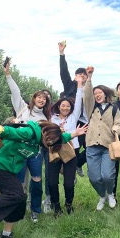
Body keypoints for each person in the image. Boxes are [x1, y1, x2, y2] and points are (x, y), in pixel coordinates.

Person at [0, 120, 88, 238]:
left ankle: (5, 234)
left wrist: (74, 134)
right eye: (50, 140)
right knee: (15, 195)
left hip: (7, 168)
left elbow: (60, 138)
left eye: (52, 143)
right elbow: (11, 132)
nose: (50, 144)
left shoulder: (42, 140)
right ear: (45, 132)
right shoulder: (30, 132)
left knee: (20, 199)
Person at [4, 61, 51, 223]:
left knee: (37, 181)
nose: (41, 100)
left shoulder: (45, 119)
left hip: (35, 153)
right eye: (39, 97)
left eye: (44, 98)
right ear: (34, 99)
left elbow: (46, 138)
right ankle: (18, 209)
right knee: (19, 183)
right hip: (19, 152)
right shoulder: (23, 109)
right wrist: (8, 75)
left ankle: (35, 210)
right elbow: (15, 92)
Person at [83, 66, 120, 210]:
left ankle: (110, 193)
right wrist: (89, 78)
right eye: (95, 93)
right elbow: (86, 94)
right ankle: (102, 195)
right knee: (94, 177)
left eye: (99, 92)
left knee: (107, 176)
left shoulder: (114, 108)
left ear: (105, 94)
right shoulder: (91, 108)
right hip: (92, 146)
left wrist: (116, 128)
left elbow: (119, 123)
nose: (97, 95)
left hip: (108, 146)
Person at [48, 80, 85, 215]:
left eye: (68, 106)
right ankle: (56, 207)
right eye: (63, 106)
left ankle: (69, 204)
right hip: (55, 151)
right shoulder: (52, 119)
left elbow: (79, 102)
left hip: (71, 151)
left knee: (69, 183)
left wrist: (80, 85)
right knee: (52, 182)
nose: (65, 108)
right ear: (58, 106)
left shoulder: (73, 117)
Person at [58, 41, 88, 176]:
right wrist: (62, 54)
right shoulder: (70, 86)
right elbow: (64, 72)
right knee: (74, 146)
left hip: (86, 121)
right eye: (79, 75)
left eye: (84, 76)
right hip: (73, 120)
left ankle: (78, 164)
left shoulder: (90, 89)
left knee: (92, 146)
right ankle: (70, 171)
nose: (81, 77)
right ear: (75, 77)